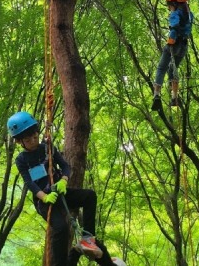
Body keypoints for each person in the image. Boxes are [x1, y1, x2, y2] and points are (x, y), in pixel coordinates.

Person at [8, 111, 119, 266]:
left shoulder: (47, 148)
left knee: (89, 196)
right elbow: (30, 183)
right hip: (44, 201)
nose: (33, 141)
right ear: (20, 141)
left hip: (60, 192)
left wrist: (64, 181)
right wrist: (44, 197)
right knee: (61, 228)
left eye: (35, 136)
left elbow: (65, 166)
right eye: (28, 139)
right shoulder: (21, 160)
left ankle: (88, 240)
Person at [152, 0, 193, 111]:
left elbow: (174, 27)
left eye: (169, 5)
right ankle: (174, 97)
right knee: (173, 70)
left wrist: (171, 40)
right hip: (183, 46)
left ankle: (156, 97)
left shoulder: (175, 14)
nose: (169, 8)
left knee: (161, 68)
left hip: (173, 44)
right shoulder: (190, 14)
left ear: (174, 3)